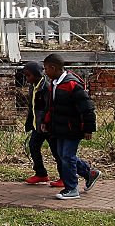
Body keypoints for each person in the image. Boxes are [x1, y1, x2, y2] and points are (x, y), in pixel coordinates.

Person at [42, 53, 100, 200]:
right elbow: (51, 107)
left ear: (53, 68)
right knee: (63, 156)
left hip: (72, 128)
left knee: (67, 156)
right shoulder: (54, 84)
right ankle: (89, 173)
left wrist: (88, 129)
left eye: (46, 69)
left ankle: (72, 188)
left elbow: (87, 108)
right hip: (59, 128)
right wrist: (45, 122)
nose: (45, 72)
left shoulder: (72, 85)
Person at [19, 61, 61, 186]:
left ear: (37, 74)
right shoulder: (33, 86)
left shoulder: (47, 87)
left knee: (56, 151)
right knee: (33, 146)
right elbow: (32, 106)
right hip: (38, 125)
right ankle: (41, 173)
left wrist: (47, 122)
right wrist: (30, 122)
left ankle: (65, 176)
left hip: (48, 125)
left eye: (28, 76)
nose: (27, 79)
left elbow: (50, 107)